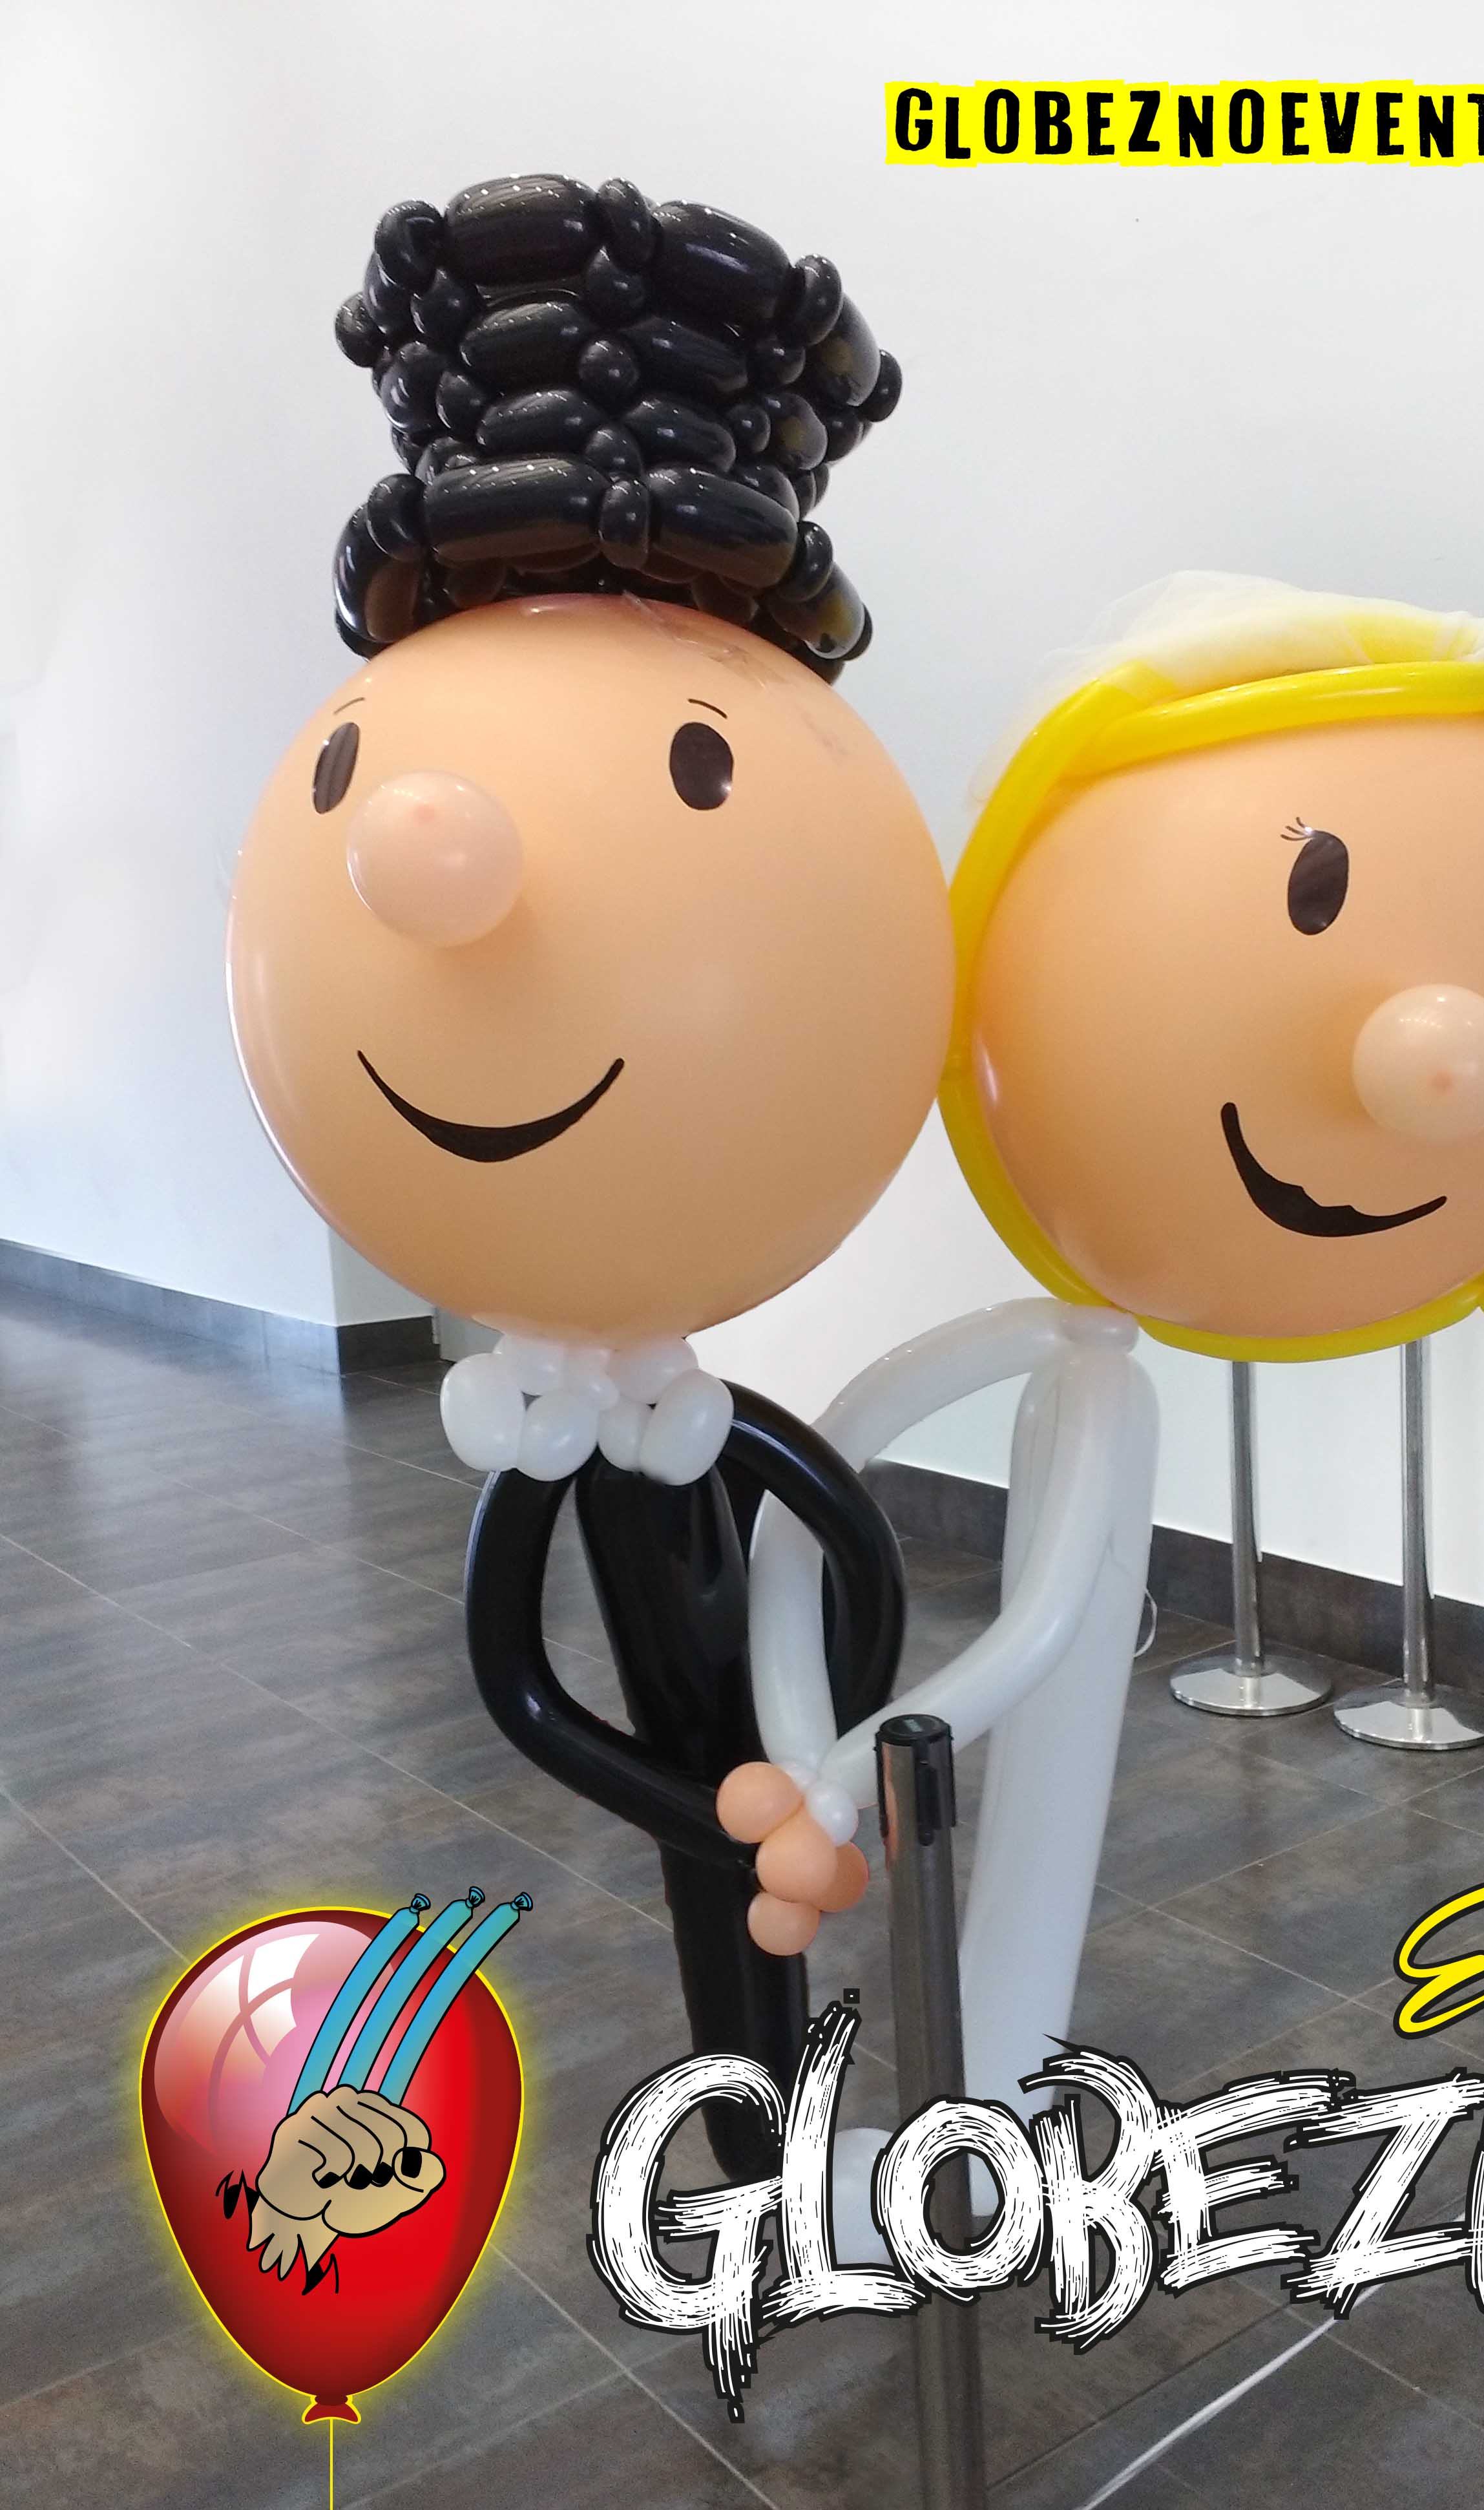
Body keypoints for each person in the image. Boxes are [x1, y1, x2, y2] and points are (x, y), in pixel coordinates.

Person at [726, 572, 1484, 2197]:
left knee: (1034, 1874)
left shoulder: (1100, 1390)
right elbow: (844, 1471)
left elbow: (997, 1601)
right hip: (891, 1715)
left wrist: (855, 1747)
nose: (1441, 1062)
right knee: (1025, 1874)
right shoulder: (1082, 1366)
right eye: (1309, 892)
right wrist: (838, 1745)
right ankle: (985, 2111)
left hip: (900, 1730)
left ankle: (987, 2126)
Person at [227, 173, 953, 2173]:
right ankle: (760, 2146)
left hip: (777, 1781)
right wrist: (707, 1806)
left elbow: (848, 1544)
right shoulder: (558, 1426)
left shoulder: (662, 1405)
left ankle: (769, 2130)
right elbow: (518, 1688)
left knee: (766, 1942)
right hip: (730, 1804)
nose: (432, 868)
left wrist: (822, 1751)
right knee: (749, 1950)